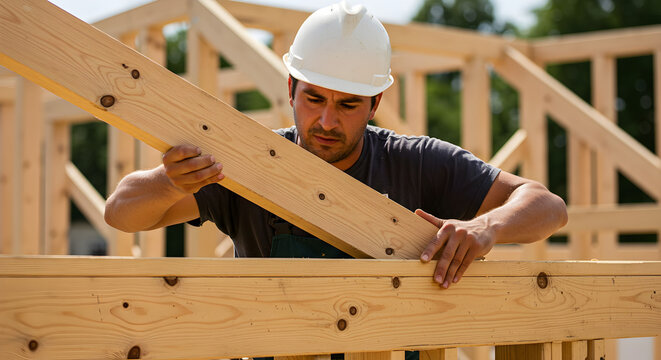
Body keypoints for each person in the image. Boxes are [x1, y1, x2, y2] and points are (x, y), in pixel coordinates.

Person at [105, 1, 567, 290]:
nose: (327, 121)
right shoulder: (250, 165)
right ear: (291, 87)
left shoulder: (415, 162)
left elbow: (547, 206)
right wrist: (169, 182)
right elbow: (121, 213)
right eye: (313, 98)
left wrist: (486, 227)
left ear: (375, 103)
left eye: (348, 104)